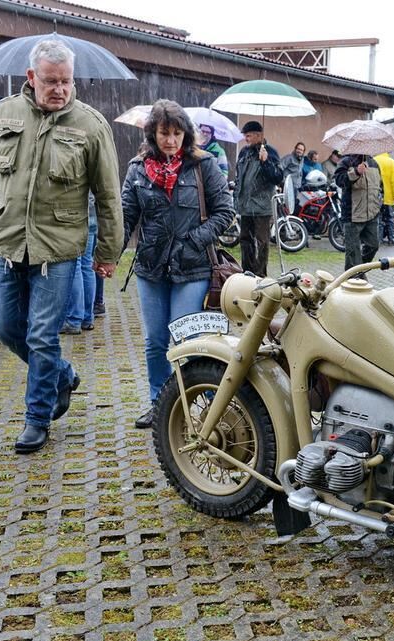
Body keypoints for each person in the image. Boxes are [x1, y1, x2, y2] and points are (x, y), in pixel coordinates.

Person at [0, 39, 123, 454]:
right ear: (31, 77)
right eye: (51, 81)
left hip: (57, 250)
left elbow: (109, 196)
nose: (59, 89)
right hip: (6, 245)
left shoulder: (90, 125)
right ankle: (63, 374)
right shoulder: (4, 114)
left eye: (66, 81)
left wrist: (107, 253)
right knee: (5, 328)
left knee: (41, 335)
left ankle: (36, 418)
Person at [122, 100, 234, 428]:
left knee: (188, 338)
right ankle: (160, 403)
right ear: (152, 134)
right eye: (164, 133)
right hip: (151, 267)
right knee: (155, 340)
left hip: (193, 267)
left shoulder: (203, 165)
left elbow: (225, 212)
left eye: (176, 133)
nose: (170, 140)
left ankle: (212, 403)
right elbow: (126, 216)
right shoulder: (138, 168)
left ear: (186, 134)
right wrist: (107, 251)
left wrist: (194, 240)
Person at [233, 120, 282, 277]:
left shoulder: (270, 152)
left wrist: (266, 162)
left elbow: (277, 177)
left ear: (259, 135)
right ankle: (247, 272)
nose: (246, 139)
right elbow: (239, 176)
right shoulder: (244, 152)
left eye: (248, 136)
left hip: (261, 206)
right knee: (245, 239)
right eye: (245, 136)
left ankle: (260, 274)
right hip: (245, 205)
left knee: (262, 242)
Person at [335, 154, 382, 271]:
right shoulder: (346, 162)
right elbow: (339, 180)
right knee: (352, 252)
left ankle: (358, 271)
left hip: (372, 214)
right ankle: (353, 279)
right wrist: (355, 172)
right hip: (352, 214)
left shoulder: (374, 164)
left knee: (373, 246)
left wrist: (379, 203)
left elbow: (380, 186)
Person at [61, 194, 98, 334]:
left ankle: (74, 319)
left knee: (74, 265)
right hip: (92, 214)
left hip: (75, 216)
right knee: (86, 265)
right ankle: (87, 318)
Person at [373, 152, 394, 245]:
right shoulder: (391, 162)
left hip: (376, 195)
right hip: (388, 197)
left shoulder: (374, 161)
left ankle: (379, 239)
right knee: (390, 218)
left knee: (378, 219)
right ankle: (392, 239)